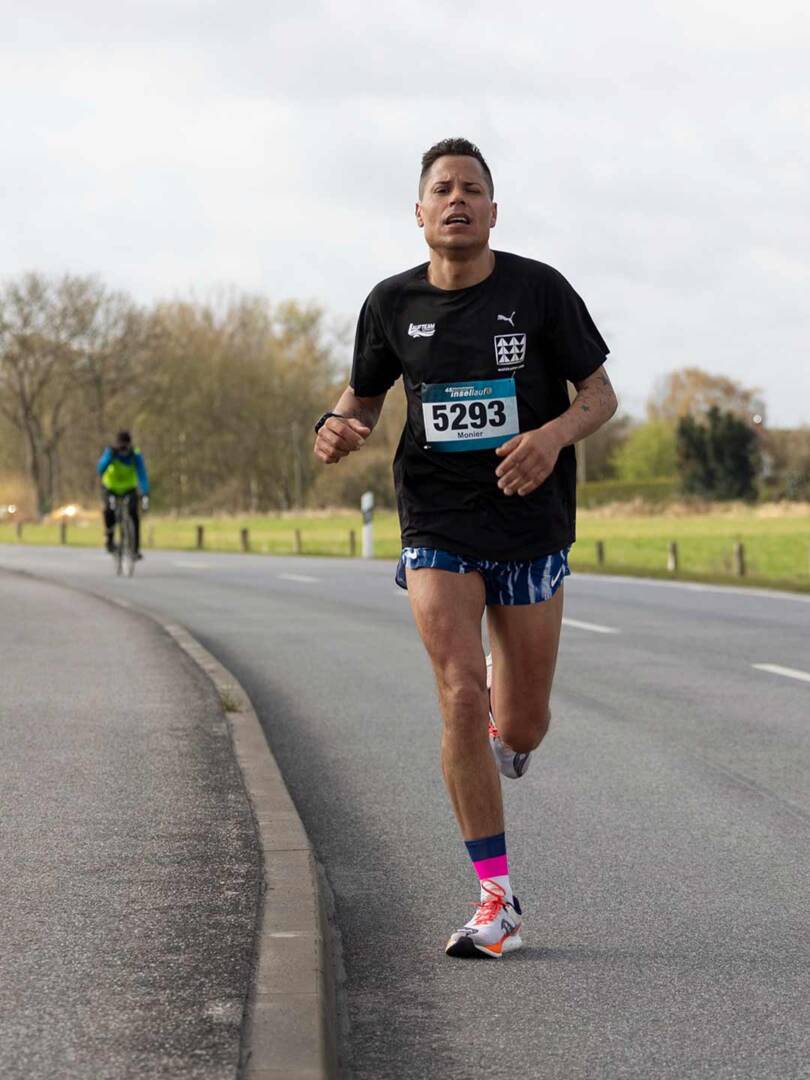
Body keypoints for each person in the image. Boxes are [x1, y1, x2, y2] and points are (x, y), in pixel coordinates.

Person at [313, 137, 618, 959]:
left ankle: (505, 748)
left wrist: (550, 438)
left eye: (472, 189)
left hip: (529, 524)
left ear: (492, 210)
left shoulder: (540, 291)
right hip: (438, 519)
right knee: (459, 690)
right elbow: (364, 398)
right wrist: (338, 426)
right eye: (442, 188)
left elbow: (599, 395)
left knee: (520, 723)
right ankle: (495, 898)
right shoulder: (389, 304)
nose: (457, 199)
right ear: (418, 213)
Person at [97, 431, 150, 558]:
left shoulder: (135, 455)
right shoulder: (110, 452)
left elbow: (142, 474)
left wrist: (145, 492)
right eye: (121, 446)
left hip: (129, 488)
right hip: (111, 487)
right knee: (109, 510)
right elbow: (100, 469)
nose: (123, 450)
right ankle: (109, 540)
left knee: (133, 513)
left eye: (125, 447)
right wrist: (109, 457)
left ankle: (134, 549)